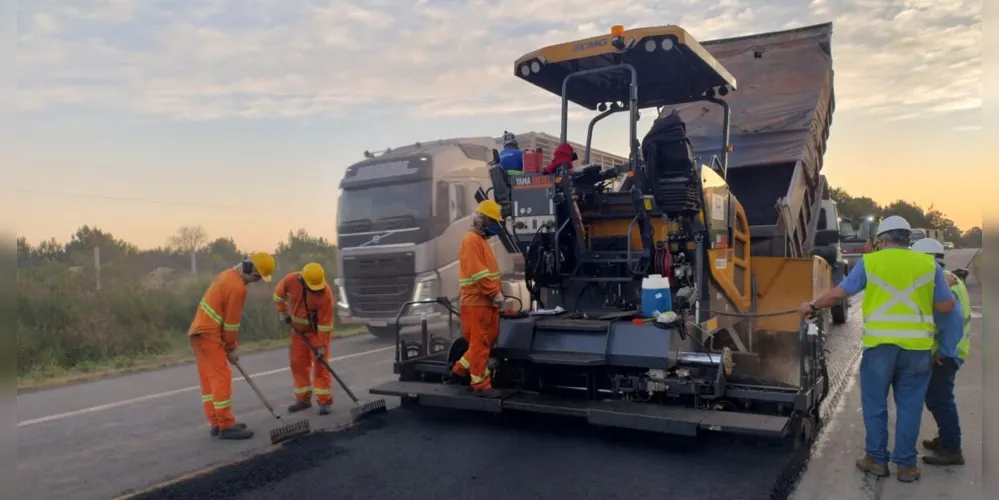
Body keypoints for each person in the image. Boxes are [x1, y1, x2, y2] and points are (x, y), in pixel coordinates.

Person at [797, 215, 955, 482]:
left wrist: (812, 306)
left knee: (875, 404)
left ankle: (876, 459)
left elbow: (839, 294)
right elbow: (946, 307)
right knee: (910, 406)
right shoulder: (929, 265)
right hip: (917, 349)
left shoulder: (871, 262)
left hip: (880, 347)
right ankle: (906, 466)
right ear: (908, 240)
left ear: (882, 240)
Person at [188, 252, 276, 440]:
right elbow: (231, 324)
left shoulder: (226, 275)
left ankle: (216, 423)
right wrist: (231, 347)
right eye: (256, 277)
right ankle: (226, 426)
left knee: (209, 378)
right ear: (248, 268)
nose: (255, 281)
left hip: (198, 332)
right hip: (209, 333)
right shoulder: (237, 288)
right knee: (221, 376)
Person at [911, 237, 969, 466]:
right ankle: (945, 438)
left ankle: (952, 449)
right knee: (939, 398)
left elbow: (953, 322)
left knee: (940, 400)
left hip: (948, 353)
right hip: (953, 349)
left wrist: (943, 351)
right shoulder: (949, 279)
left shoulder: (942, 284)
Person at [446, 199, 507, 398]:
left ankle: (460, 370)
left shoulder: (478, 241)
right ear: (484, 221)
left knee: (483, 342)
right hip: (478, 302)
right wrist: (494, 292)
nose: (497, 227)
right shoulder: (472, 240)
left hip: (483, 302)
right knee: (480, 344)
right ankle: (480, 385)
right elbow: (477, 273)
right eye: (494, 222)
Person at [273, 262, 336, 416]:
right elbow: (278, 295)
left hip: (317, 333)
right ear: (303, 280)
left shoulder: (325, 293)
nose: (316, 290)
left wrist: (321, 345)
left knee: (321, 365)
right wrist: (282, 312)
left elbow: (325, 324)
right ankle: (303, 399)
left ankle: (324, 401)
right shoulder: (291, 280)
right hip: (298, 332)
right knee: (298, 363)